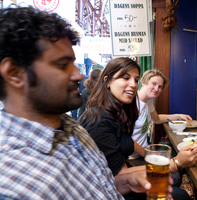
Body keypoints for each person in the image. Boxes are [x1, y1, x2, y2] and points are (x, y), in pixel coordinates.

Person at [0, 6, 173, 199]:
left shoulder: (71, 128)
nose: (78, 75)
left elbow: (100, 185)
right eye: (63, 65)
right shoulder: (13, 183)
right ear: (15, 74)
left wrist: (128, 182)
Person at [79, 58, 189, 200]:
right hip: (110, 187)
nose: (132, 85)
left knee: (176, 185)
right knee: (177, 185)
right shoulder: (98, 120)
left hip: (122, 170)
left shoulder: (123, 109)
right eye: (125, 78)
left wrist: (177, 116)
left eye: (135, 80)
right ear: (107, 81)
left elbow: (155, 119)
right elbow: (118, 177)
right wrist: (176, 163)